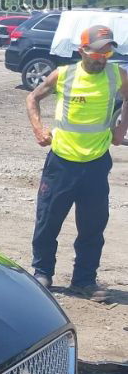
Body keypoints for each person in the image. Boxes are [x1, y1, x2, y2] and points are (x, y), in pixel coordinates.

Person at [26, 24, 128, 301]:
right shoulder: (64, 75)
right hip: (62, 163)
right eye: (97, 51)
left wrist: (122, 126)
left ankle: (84, 280)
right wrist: (38, 129)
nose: (102, 56)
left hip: (96, 164)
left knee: (93, 226)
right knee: (48, 221)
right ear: (82, 50)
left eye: (107, 51)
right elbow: (32, 98)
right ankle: (42, 272)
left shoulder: (117, 75)